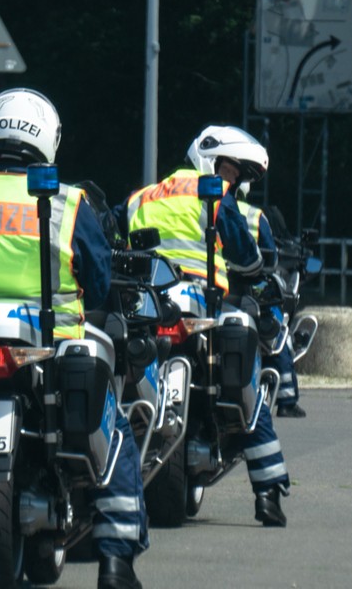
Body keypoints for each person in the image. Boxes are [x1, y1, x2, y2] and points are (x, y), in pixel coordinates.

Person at [0, 88, 147, 589]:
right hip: (48, 348)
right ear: (47, 140)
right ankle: (116, 564)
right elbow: (99, 282)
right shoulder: (66, 200)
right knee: (118, 437)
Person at [118, 124, 291, 527]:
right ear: (212, 161)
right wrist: (255, 271)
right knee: (246, 377)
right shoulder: (214, 195)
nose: (234, 182)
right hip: (202, 302)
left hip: (150, 303)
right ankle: (268, 492)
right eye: (233, 172)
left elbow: (112, 239)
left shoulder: (140, 197)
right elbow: (246, 258)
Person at [230, 147, 307, 418]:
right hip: (248, 287)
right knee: (277, 331)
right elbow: (269, 256)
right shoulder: (254, 215)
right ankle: (287, 400)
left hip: (213, 284)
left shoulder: (202, 205)